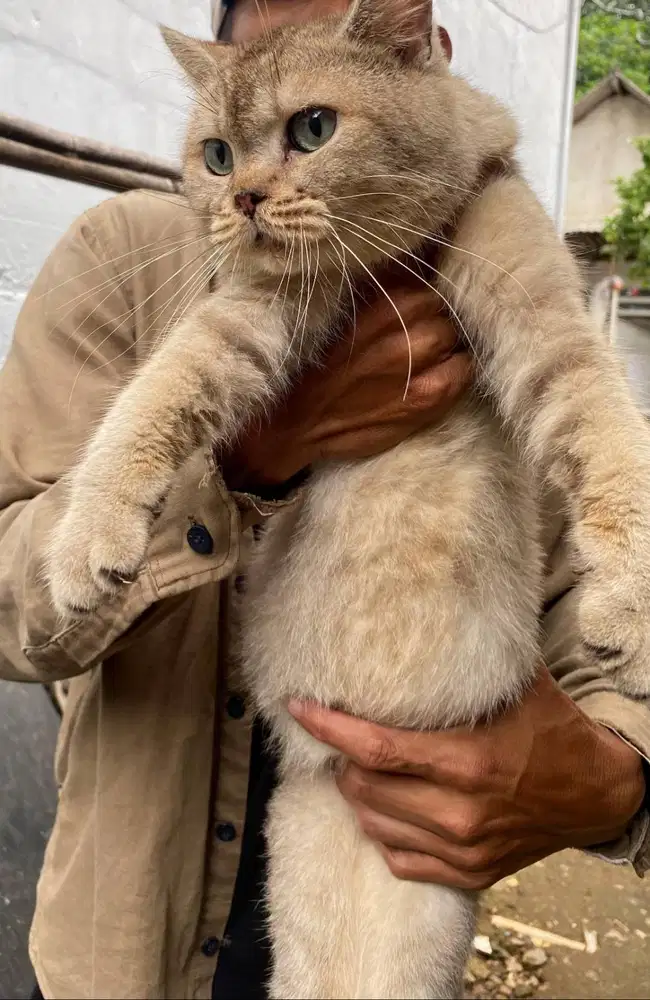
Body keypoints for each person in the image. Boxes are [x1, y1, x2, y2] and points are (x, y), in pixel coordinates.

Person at [0, 1, 648, 998]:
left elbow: (589, 567)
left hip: (399, 835)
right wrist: (247, 460)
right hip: (124, 946)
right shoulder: (125, 252)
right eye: (220, 150)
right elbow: (14, 616)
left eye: (308, 126)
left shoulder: (472, 217)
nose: (250, 191)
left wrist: (615, 782)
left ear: (420, 53)